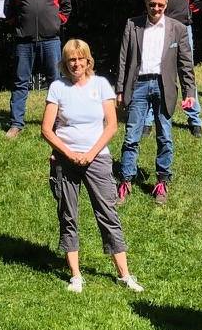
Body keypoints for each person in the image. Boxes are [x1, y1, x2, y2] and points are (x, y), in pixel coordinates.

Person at [40, 39, 143, 292]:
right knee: (68, 214)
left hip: (97, 158)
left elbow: (111, 125)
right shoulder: (57, 87)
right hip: (66, 160)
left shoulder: (101, 85)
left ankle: (124, 274)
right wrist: (68, 153)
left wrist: (89, 154)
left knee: (108, 214)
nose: (76, 64)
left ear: (88, 60)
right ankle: (76, 275)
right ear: (65, 62)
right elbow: (47, 129)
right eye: (71, 59)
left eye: (80, 58)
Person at [116, 0, 198, 203]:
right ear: (146, 3)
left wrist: (189, 91)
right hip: (139, 85)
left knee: (165, 136)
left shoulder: (177, 28)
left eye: (161, 5)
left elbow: (186, 64)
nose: (156, 8)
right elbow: (124, 59)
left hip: (164, 86)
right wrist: (120, 89)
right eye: (152, 4)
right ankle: (126, 180)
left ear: (166, 5)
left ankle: (162, 181)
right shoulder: (133, 25)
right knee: (132, 135)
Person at [137, 0, 202, 133]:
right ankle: (149, 120)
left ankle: (194, 119)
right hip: (153, 29)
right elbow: (138, 3)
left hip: (182, 29)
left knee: (186, 73)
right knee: (153, 72)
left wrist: (187, 14)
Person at [4, 0, 72, 138]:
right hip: (24, 42)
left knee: (56, 82)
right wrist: (19, 26)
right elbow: (8, 10)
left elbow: (66, 7)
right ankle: (16, 124)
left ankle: (59, 122)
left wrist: (56, 24)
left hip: (51, 40)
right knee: (20, 82)